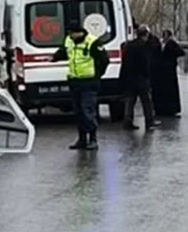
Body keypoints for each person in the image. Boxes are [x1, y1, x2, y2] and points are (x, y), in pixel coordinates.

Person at [53, 22, 110, 150]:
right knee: (78, 112)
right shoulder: (70, 41)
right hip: (75, 81)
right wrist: (54, 58)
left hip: (89, 82)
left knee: (87, 110)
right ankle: (82, 139)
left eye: (72, 33)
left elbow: (104, 60)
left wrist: (97, 74)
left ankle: (93, 138)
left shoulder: (93, 42)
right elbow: (64, 52)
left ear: (79, 32)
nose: (70, 35)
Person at [120, 24, 158, 130]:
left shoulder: (129, 45)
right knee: (146, 101)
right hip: (141, 78)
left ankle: (127, 121)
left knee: (130, 101)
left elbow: (125, 62)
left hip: (130, 77)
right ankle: (149, 122)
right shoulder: (145, 47)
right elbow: (146, 63)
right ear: (146, 35)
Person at [153, 28, 185, 117]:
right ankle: (169, 109)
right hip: (168, 70)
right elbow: (181, 52)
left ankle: (164, 109)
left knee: (165, 91)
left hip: (164, 70)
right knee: (169, 91)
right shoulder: (170, 44)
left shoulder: (164, 44)